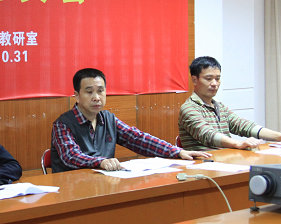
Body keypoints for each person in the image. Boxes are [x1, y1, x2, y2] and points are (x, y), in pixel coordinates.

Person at [51, 68, 211, 172]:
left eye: (100, 91)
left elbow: (138, 139)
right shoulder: (63, 124)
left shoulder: (108, 119)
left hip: (102, 185)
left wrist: (177, 151)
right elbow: (71, 156)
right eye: (89, 92)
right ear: (77, 96)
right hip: (72, 188)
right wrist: (100, 162)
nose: (96, 97)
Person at [179, 56, 281, 151]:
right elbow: (208, 134)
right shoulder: (189, 108)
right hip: (205, 164)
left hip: (226, 160)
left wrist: (279, 136)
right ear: (195, 80)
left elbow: (242, 125)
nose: (214, 83)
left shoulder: (219, 106)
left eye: (217, 78)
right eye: (209, 79)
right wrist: (238, 143)